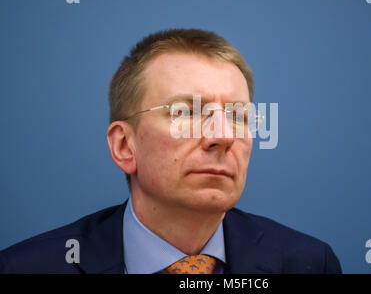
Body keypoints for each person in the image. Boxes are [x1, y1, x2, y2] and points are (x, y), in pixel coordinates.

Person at [0, 29, 342, 274]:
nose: (222, 136)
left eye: (238, 116)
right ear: (124, 145)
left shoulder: (308, 262)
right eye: (187, 113)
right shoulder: (26, 268)